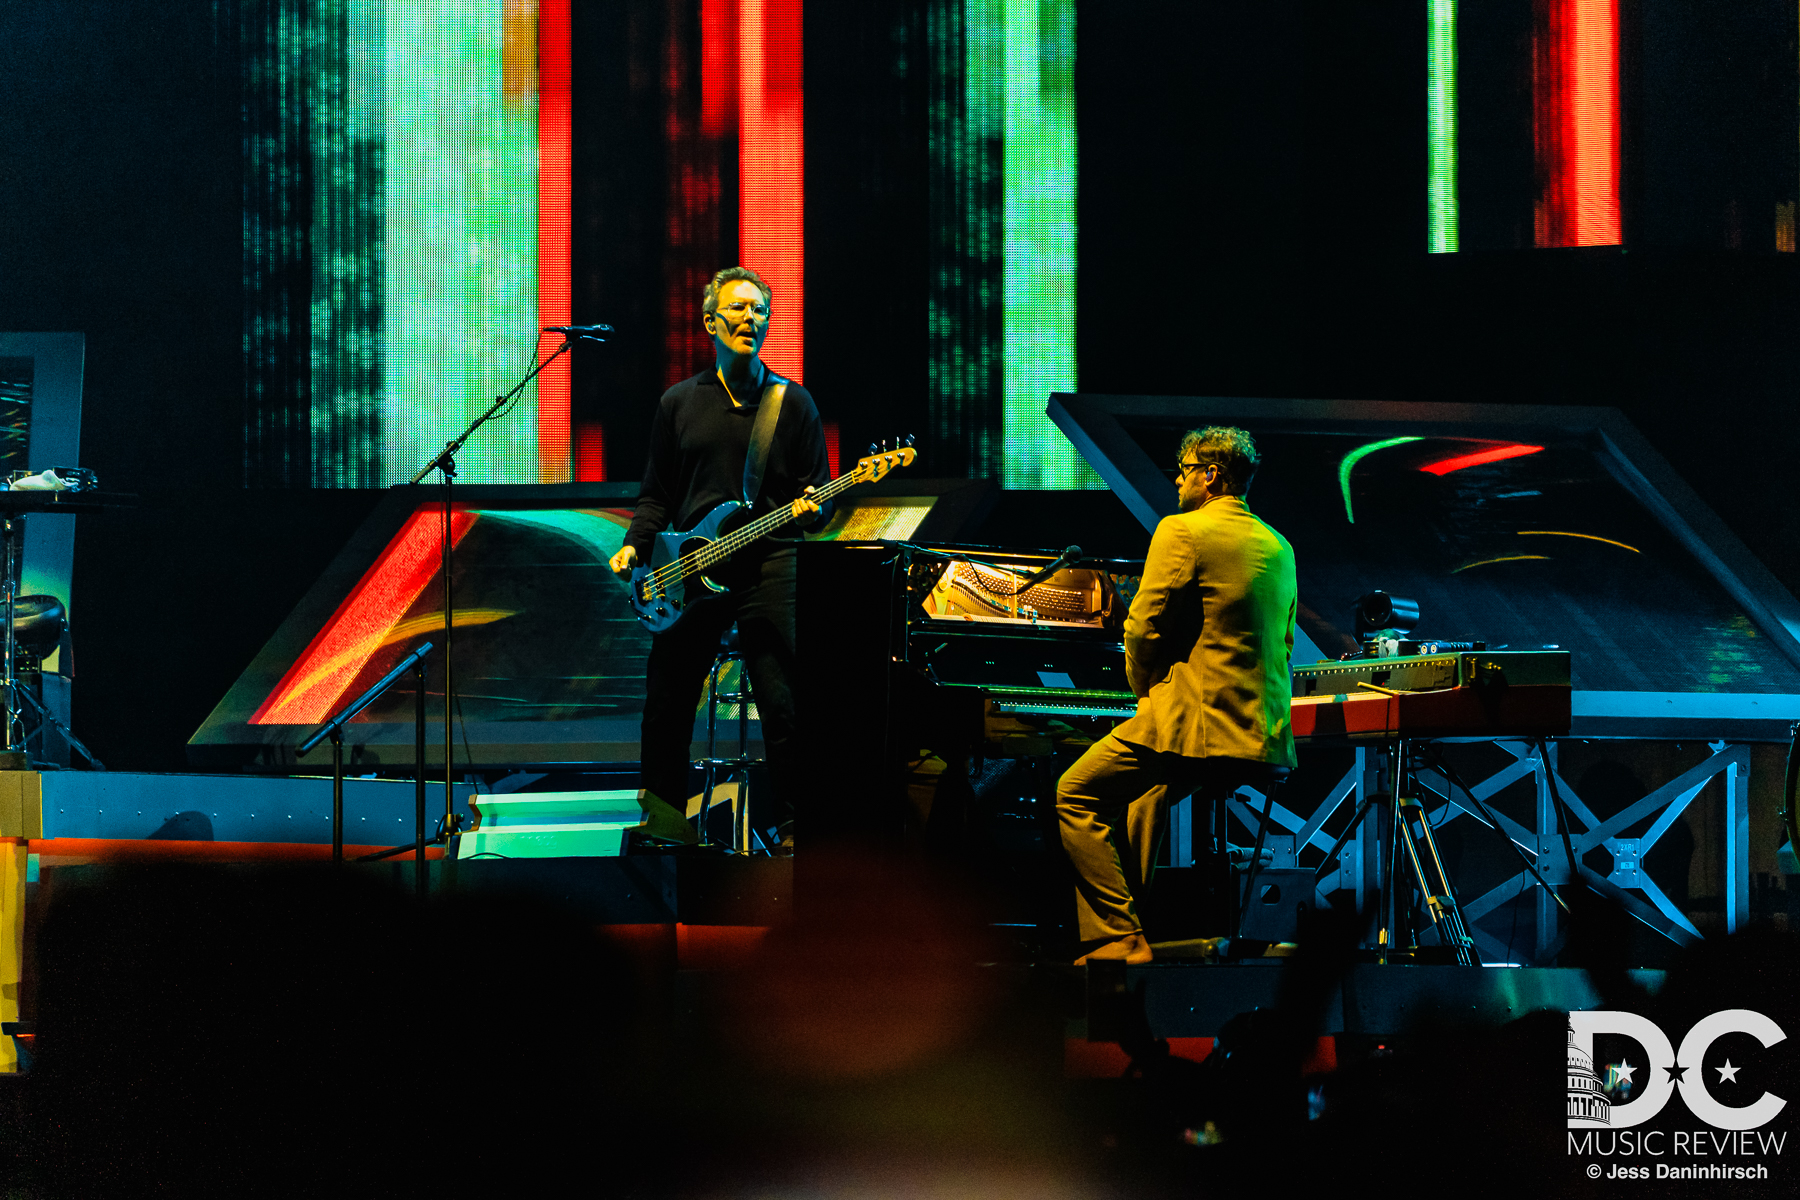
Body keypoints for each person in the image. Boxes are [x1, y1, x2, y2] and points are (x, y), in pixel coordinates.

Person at [608, 267, 831, 851]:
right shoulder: (679, 403)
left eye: (759, 310)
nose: (750, 320)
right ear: (710, 321)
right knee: (666, 704)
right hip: (691, 566)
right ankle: (663, 822)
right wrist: (635, 542)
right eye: (737, 309)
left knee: (783, 703)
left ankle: (793, 830)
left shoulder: (794, 403)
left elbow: (820, 498)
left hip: (771, 561)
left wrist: (811, 510)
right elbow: (657, 494)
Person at [1056, 426, 1296, 963]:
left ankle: (1117, 937)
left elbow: (1141, 629)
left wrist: (1144, 693)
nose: (1178, 481)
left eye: (1184, 470)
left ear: (1211, 475)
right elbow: (1282, 642)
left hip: (1196, 729)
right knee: (1145, 796)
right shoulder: (1279, 545)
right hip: (1262, 738)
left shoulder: (1182, 530)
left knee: (1075, 793)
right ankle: (1135, 931)